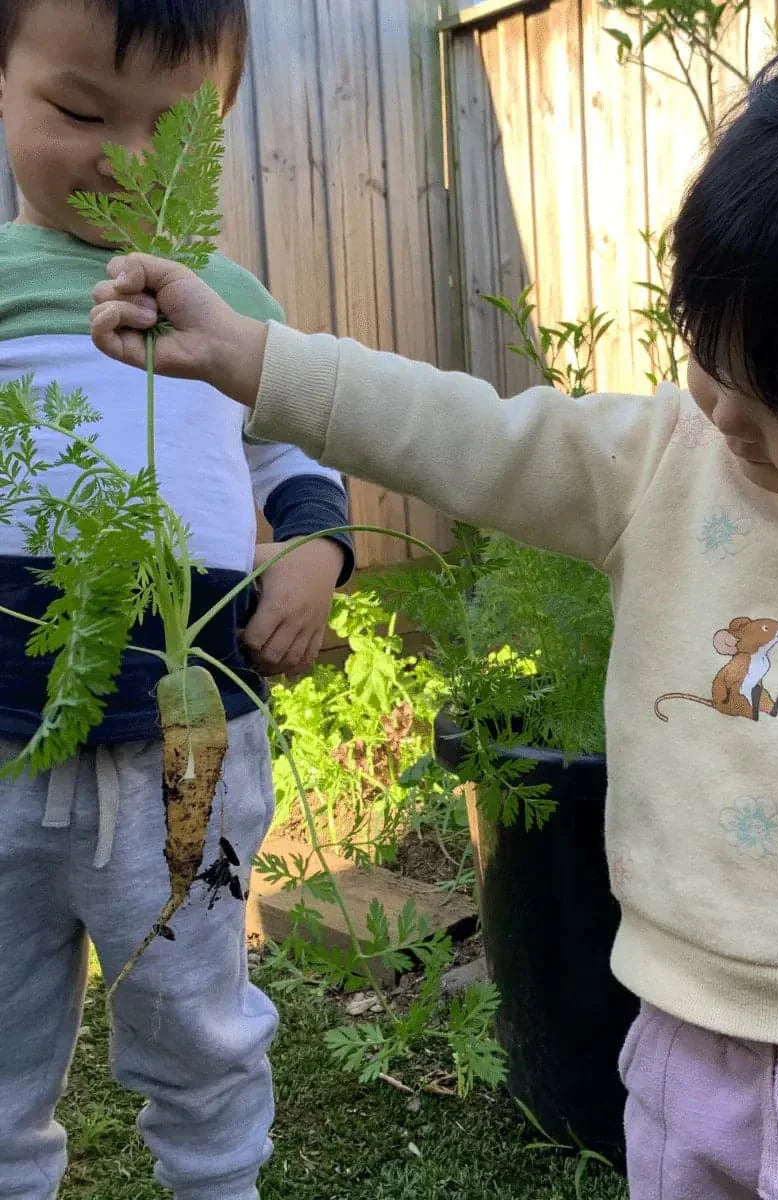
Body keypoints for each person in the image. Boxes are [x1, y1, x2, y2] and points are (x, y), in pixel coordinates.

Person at [91, 3, 778, 1197]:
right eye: (707, 355)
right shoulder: (666, 459)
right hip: (688, 1044)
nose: (726, 418)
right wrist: (259, 357)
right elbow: (462, 433)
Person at [0, 1, 354, 1196]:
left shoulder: (225, 293)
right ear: (1, 85)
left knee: (198, 1021)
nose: (125, 157)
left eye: (174, 128)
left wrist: (317, 553)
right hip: (2, 752)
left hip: (188, 742)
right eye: (79, 110)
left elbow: (297, 451)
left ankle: (218, 1177)